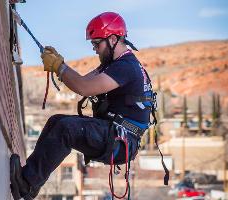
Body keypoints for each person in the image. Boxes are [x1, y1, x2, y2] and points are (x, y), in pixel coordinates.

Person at [10, 11, 156, 200]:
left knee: (67, 129)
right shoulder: (113, 64)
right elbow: (82, 81)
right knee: (57, 121)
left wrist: (59, 67)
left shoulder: (125, 67)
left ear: (113, 39)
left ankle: (26, 184)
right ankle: (30, 182)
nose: (94, 49)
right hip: (116, 134)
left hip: (122, 140)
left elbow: (84, 88)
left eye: (97, 43)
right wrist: (60, 64)